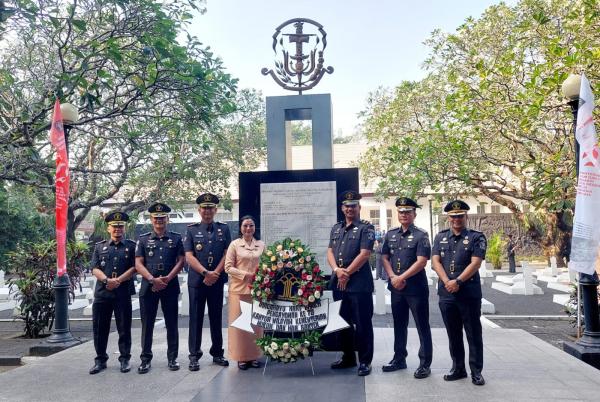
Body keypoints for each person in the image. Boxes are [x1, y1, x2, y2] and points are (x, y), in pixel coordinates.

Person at [431, 200, 487, 386]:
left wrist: (459, 281)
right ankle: (458, 368)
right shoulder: (440, 237)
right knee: (453, 333)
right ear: (448, 218)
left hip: (468, 293)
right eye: (453, 216)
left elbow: (476, 262)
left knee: (473, 333)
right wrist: (447, 282)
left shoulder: (476, 237)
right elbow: (435, 262)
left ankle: (476, 371)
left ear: (466, 217)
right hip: (447, 293)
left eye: (460, 216)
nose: (456, 219)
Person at [381, 197, 433, 379]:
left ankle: (425, 363)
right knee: (399, 324)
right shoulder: (391, 234)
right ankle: (399, 358)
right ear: (397, 214)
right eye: (401, 212)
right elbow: (385, 257)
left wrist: (401, 277)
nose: (404, 214)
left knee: (422, 325)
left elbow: (422, 261)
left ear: (414, 214)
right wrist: (393, 277)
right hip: (397, 288)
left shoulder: (421, 235)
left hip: (415, 288)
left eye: (407, 212)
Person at [327, 190, 375, 376]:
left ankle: (365, 361)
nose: (350, 208)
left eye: (353, 205)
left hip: (359, 285)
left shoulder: (366, 228)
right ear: (342, 208)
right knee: (343, 323)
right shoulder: (336, 228)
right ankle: (348, 358)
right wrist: (338, 271)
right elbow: (330, 251)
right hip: (339, 283)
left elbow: (365, 254)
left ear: (359, 207)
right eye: (347, 206)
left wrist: (347, 272)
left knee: (363, 324)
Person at [135, 202, 185, 374]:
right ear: (151, 219)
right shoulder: (143, 239)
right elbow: (138, 263)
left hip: (170, 287)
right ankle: (145, 360)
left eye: (162, 217)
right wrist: (152, 279)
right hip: (149, 288)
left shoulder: (177, 238)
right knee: (147, 325)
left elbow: (181, 261)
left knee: (172, 324)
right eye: (156, 218)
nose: (159, 220)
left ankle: (172, 358)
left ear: (167, 219)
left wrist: (167, 279)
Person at [184, 193, 231, 370]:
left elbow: (227, 253)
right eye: (204, 208)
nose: (207, 211)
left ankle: (217, 353)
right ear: (199, 210)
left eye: (211, 208)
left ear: (215, 210)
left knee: (216, 317)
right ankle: (194, 355)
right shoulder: (191, 229)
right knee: (195, 318)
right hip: (197, 281)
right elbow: (189, 256)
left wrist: (216, 273)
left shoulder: (224, 229)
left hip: (216, 280)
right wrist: (206, 273)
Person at [89, 211, 137, 375]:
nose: (118, 229)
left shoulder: (131, 246)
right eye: (114, 226)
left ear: (124, 228)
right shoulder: (99, 246)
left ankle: (124, 359)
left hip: (122, 293)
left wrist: (118, 281)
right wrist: (106, 281)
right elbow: (94, 268)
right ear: (108, 228)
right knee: (100, 328)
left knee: (124, 328)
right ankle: (100, 360)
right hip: (103, 294)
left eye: (120, 226)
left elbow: (135, 267)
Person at [224, 215, 265, 370]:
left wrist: (262, 277)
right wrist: (246, 275)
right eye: (245, 225)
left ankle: (254, 356)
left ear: (255, 228)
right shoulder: (234, 245)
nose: (248, 228)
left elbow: (266, 265)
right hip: (239, 291)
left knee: (256, 326)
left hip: (257, 291)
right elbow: (228, 267)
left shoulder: (261, 245)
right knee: (240, 327)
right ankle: (241, 357)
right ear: (240, 228)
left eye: (251, 225)